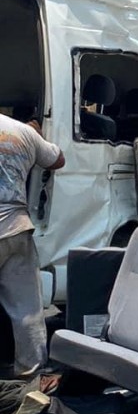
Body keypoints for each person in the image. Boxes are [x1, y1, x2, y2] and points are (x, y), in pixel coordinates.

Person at [0, 112, 65, 382]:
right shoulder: (21, 131)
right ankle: (32, 375)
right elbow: (58, 159)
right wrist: (35, 134)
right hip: (16, 226)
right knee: (27, 308)